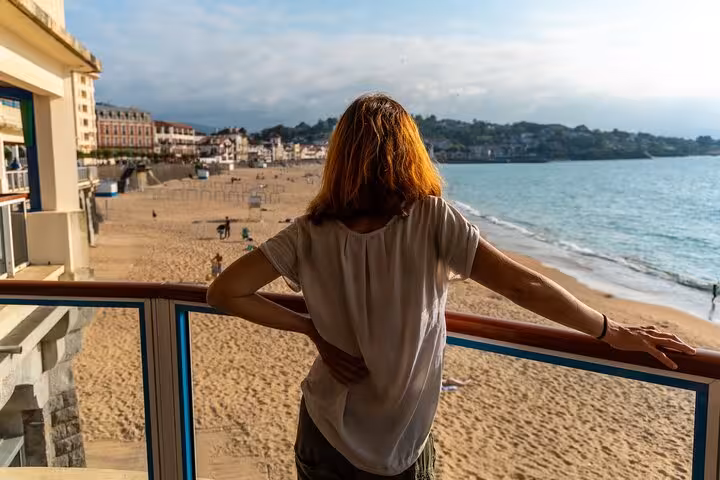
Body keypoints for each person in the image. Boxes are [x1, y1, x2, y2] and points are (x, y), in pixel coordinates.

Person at [207, 93, 696, 479]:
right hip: (399, 441)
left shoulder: (308, 231)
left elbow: (224, 292)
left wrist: (312, 329)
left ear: (338, 157)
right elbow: (522, 286)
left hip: (322, 427)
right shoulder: (430, 220)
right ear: (410, 152)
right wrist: (609, 329)